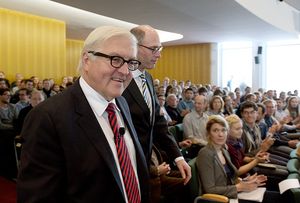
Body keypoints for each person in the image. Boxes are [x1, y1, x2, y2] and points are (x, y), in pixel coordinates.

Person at [17, 26, 149, 203]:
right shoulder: (47, 117)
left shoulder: (122, 103)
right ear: (87, 60)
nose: (125, 72)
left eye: (131, 62)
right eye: (115, 59)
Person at [122, 25, 191, 185]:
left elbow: (158, 122)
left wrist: (178, 156)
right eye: (153, 49)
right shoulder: (120, 79)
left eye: (159, 49)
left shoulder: (148, 78)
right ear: (134, 47)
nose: (159, 54)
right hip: (127, 166)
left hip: (146, 163)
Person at [197, 115, 283, 203]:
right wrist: (239, 187)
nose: (220, 134)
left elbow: (230, 177)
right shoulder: (205, 153)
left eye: (223, 130)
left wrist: (245, 180)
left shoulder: (223, 149)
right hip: (222, 199)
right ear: (208, 133)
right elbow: (210, 190)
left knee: (280, 196)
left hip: (233, 191)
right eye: (215, 130)